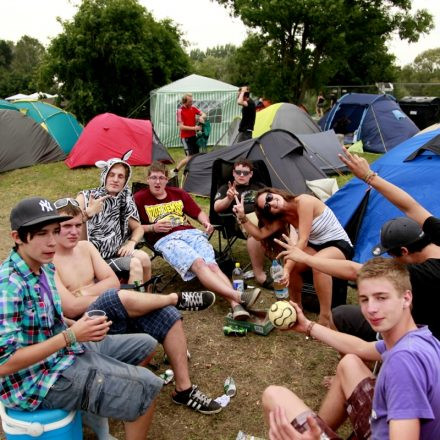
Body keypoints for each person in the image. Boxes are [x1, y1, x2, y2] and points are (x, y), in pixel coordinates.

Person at [0, 197, 163, 440]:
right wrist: (71, 336)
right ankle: (114, 398)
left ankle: (100, 403)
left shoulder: (44, 266)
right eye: (42, 234)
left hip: (64, 351)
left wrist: (77, 326)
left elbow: (46, 320)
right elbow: (4, 364)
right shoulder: (9, 286)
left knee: (146, 344)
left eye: (55, 231)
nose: (52, 241)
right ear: (18, 237)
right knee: (146, 387)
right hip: (36, 380)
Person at [53, 198, 221, 415]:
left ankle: (184, 389)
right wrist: (98, 293)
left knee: (166, 314)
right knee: (115, 296)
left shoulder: (86, 247)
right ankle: (174, 297)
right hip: (85, 326)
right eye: (67, 226)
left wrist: (83, 292)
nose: (74, 231)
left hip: (111, 310)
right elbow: (71, 308)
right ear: (53, 229)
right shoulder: (49, 260)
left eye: (78, 225)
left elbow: (111, 280)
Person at [262, 257, 440, 440]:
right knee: (350, 363)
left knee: (273, 395)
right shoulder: (419, 338)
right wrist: (307, 326)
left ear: (406, 298)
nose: (371, 308)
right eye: (364, 299)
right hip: (383, 425)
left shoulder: (403, 362)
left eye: (381, 297)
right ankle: (319, 432)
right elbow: (361, 348)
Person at [276, 148, 440, 340]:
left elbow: (356, 271)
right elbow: (411, 207)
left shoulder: (424, 274)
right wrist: (369, 177)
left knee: (343, 315)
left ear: (404, 251)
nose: (393, 259)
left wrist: (305, 258)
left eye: (393, 255)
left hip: (426, 344)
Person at [134, 161, 261, 321]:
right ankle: (238, 296)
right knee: (199, 263)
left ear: (167, 180)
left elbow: (198, 212)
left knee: (212, 265)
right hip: (166, 239)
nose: (157, 182)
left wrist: (206, 223)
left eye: (161, 178)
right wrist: (153, 228)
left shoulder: (178, 193)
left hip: (191, 234)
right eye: (153, 178)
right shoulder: (139, 198)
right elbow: (133, 227)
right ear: (148, 180)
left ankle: (236, 306)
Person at [233, 187, 353, 327]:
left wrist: (287, 269)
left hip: (339, 245)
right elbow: (260, 235)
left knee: (317, 265)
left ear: (275, 192)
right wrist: (242, 217)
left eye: (269, 198)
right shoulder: (283, 216)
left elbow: (303, 240)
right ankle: (296, 307)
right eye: (267, 207)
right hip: (316, 247)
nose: (271, 203)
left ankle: (325, 316)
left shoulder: (304, 201)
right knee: (293, 262)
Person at [77, 153, 151, 286]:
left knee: (144, 258)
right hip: (90, 259)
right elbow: (65, 227)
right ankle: (135, 300)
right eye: (111, 175)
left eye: (120, 176)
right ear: (104, 176)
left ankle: (147, 297)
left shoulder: (125, 199)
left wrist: (131, 243)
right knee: (135, 264)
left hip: (114, 253)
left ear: (125, 181)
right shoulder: (86, 197)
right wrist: (88, 214)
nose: (115, 179)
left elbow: (138, 228)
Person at [214, 158, 271, 288]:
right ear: (233, 173)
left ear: (250, 174)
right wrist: (228, 198)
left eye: (245, 173)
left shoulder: (260, 186)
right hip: (242, 219)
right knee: (256, 231)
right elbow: (217, 207)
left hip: (265, 216)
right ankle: (259, 274)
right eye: (238, 172)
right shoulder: (226, 188)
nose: (241, 175)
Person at [173, 93, 207, 174]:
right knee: (190, 157)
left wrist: (201, 117)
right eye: (190, 101)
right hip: (185, 138)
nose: (192, 103)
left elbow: (204, 114)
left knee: (197, 155)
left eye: (192, 101)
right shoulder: (179, 111)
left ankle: (192, 171)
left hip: (193, 136)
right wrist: (194, 128)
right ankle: (176, 170)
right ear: (185, 102)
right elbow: (181, 127)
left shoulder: (193, 108)